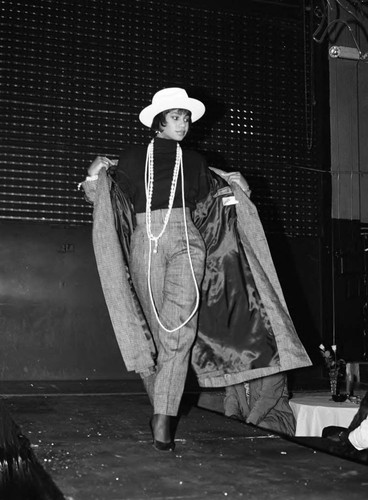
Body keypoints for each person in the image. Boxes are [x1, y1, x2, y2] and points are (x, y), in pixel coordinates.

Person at [80, 87, 311, 452]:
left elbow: (215, 205)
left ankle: (163, 417)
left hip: (188, 241)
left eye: (187, 117)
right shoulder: (133, 156)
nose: (183, 123)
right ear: (159, 121)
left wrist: (236, 187)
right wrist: (93, 176)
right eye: (176, 116)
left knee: (181, 332)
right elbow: (106, 196)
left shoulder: (196, 161)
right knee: (154, 337)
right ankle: (162, 408)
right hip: (146, 241)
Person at [224, 372, 296, 436]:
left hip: (275, 418)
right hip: (245, 419)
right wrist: (232, 418)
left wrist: (248, 424)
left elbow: (267, 399)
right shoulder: (232, 365)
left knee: (260, 430)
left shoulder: (273, 366)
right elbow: (231, 397)